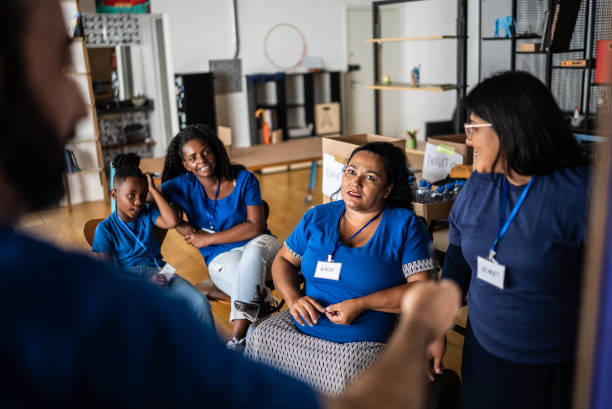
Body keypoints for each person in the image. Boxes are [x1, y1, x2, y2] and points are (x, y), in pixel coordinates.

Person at [0, 0, 463, 408]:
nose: (81, 108)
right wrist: (423, 320)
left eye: (368, 177)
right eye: (58, 65)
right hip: (253, 274)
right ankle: (247, 323)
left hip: (266, 263)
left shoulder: (65, 295)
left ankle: (242, 323)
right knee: (251, 259)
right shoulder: (77, 303)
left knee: (254, 250)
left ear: (387, 189)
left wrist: (370, 306)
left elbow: (259, 234)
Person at [437, 71, 591, 409]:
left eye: (474, 128)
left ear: (509, 128)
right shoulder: (479, 184)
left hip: (551, 365)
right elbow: (459, 261)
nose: (468, 141)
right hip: (482, 352)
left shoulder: (582, 194)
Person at [246, 142, 436, 395]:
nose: (355, 183)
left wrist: (362, 304)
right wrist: (293, 299)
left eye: (370, 177)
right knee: (262, 336)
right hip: (302, 325)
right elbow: (283, 261)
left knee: (346, 373)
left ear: (388, 188)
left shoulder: (405, 226)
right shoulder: (318, 216)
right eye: (351, 172)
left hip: (360, 339)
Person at [160, 125, 281, 351]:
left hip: (262, 245)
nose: (201, 160)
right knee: (247, 287)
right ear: (186, 164)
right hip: (222, 257)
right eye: (193, 157)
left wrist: (205, 239)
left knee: (252, 257)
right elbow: (150, 199)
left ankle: (235, 339)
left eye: (205, 152)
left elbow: (255, 226)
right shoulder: (183, 185)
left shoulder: (244, 178)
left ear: (215, 151)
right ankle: (259, 349)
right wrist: (183, 227)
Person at [92, 153, 215, 327]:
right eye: (131, 195)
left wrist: (153, 190)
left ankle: (208, 353)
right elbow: (107, 275)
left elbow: (172, 221)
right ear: (115, 194)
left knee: (199, 302)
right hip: (130, 282)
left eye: (143, 195)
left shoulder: (147, 212)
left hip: (160, 272)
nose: (138, 202)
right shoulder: (105, 229)